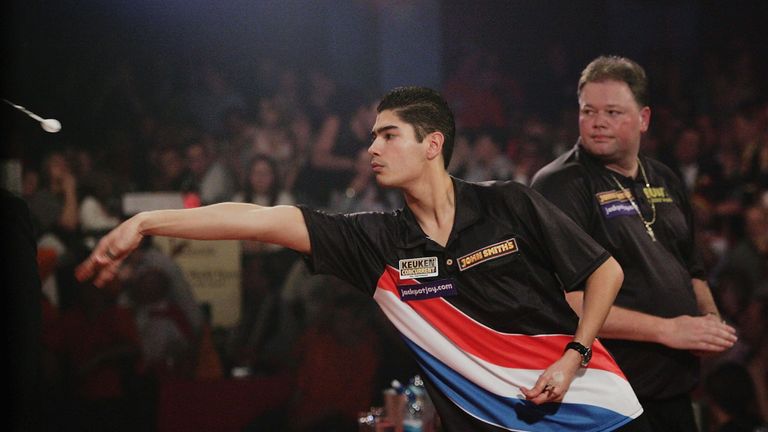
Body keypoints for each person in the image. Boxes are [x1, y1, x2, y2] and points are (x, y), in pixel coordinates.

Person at [77, 86, 645, 431]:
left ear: (432, 144)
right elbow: (260, 219)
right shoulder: (375, 243)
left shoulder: (509, 203)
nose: (371, 148)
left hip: (595, 407)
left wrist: (574, 354)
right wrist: (146, 222)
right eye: (371, 136)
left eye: (388, 135)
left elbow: (606, 271)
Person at [531, 56, 738, 432]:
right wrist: (668, 329)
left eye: (613, 112)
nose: (597, 122)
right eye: (588, 111)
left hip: (674, 387)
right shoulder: (560, 185)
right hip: (608, 393)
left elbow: (692, 269)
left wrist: (708, 322)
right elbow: (565, 301)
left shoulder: (665, 177)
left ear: (643, 118)